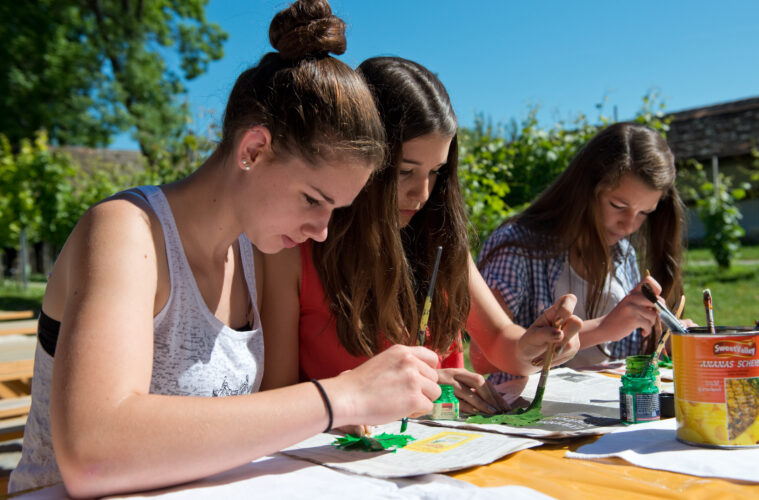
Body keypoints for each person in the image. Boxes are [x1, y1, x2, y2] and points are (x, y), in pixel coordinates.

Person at [9, 2, 442, 496]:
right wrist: (338, 397)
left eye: (335, 209)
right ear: (253, 149)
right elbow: (92, 454)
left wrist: (342, 409)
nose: (322, 230)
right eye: (312, 199)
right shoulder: (126, 232)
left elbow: (261, 415)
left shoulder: (260, 253)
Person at [261, 57, 582, 417]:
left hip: (448, 449)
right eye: (404, 171)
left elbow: (499, 340)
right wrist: (419, 389)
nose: (423, 193)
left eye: (436, 172)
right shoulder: (295, 247)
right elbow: (277, 394)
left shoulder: (438, 238)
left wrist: (535, 345)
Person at [473, 122, 690, 385]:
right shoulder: (518, 246)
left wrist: (663, 338)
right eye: (618, 205)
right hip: (529, 418)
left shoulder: (623, 254)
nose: (630, 224)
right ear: (585, 190)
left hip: (608, 412)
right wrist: (604, 328)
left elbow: (623, 355)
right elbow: (482, 357)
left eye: (645, 212)